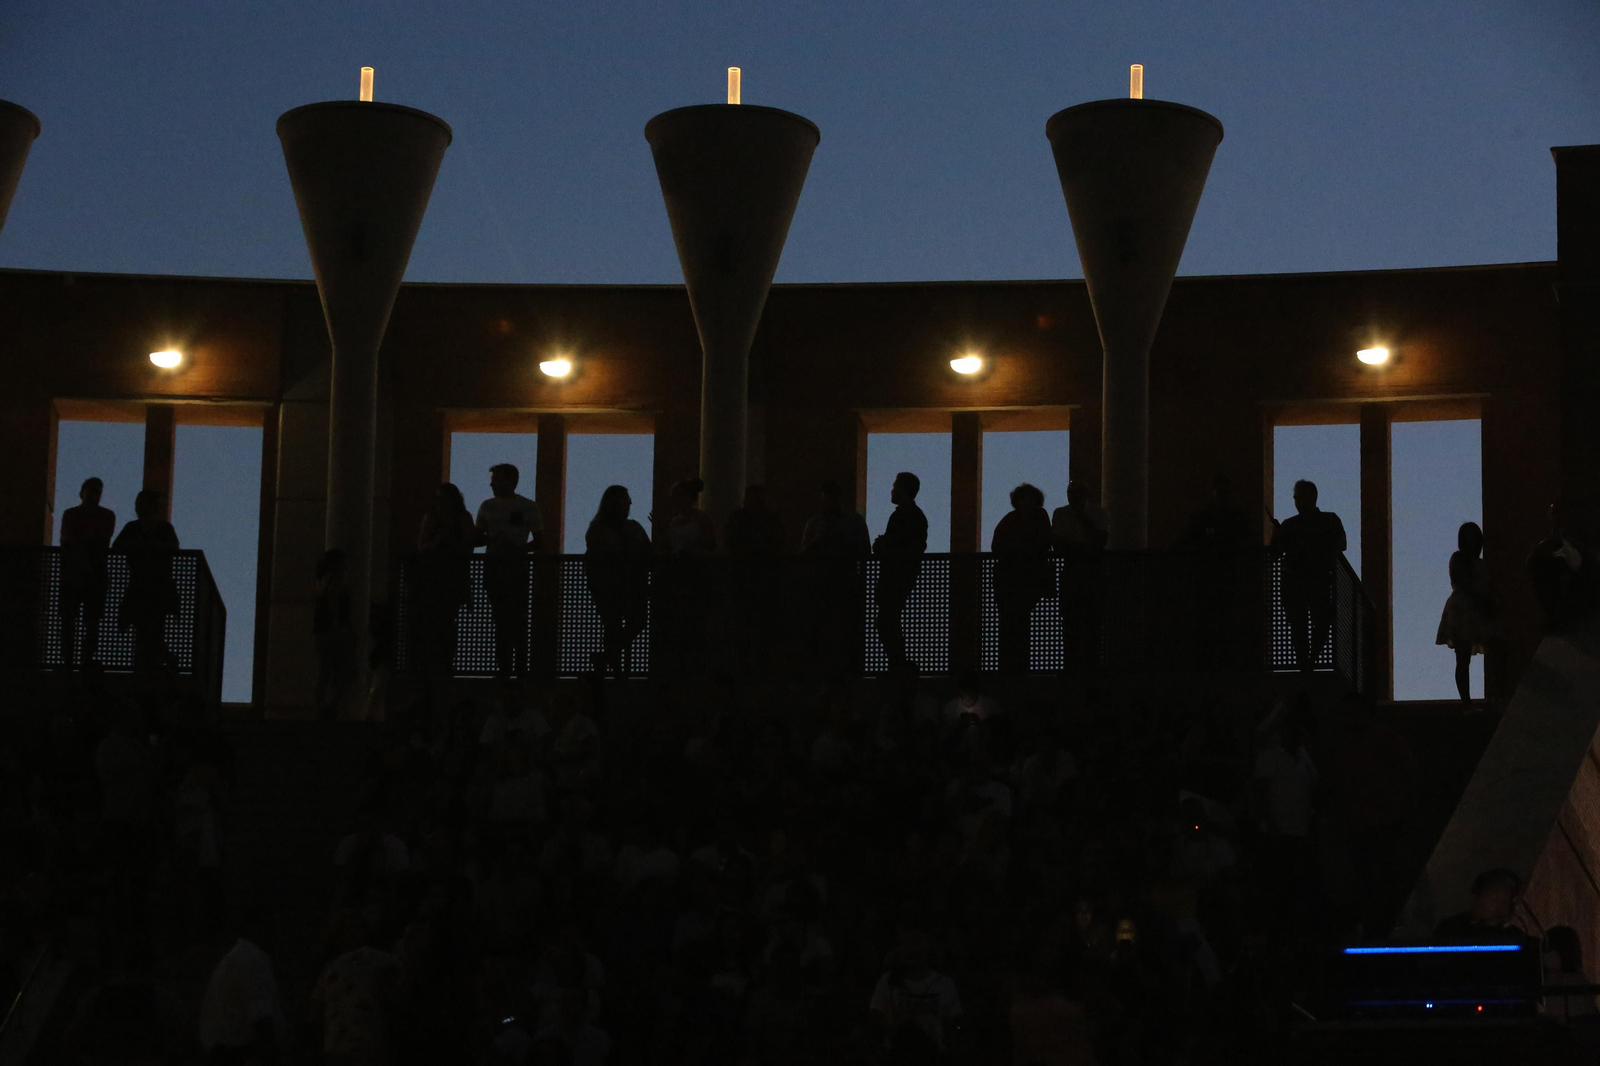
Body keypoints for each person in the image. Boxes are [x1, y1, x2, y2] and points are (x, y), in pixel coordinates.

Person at [1271, 479, 1348, 672]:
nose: (1297, 501)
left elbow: (1341, 544)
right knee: (1299, 625)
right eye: (1296, 498)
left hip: (1318, 581)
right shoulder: (1290, 525)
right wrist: (1277, 536)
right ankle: (1306, 662)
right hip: (1294, 584)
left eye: (1300, 497)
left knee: (1321, 621)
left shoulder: (1329, 520)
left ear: (1312, 497)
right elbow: (1274, 554)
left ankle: (1309, 660)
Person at [477, 463, 543, 680]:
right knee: (501, 619)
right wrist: (492, 540)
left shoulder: (528, 507)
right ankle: (506, 667)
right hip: (495, 569)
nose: (492, 484)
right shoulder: (486, 507)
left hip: (516, 570)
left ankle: (518, 667)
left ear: (511, 481)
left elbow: (540, 541)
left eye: (496, 479)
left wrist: (516, 550)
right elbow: (477, 539)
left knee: (517, 618)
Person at [198, 908, 285, 1065]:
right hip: (240, 1055)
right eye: (270, 926)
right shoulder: (254, 960)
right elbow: (261, 1019)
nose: (275, 933)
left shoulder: (231, 960)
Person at [801, 480, 871, 672]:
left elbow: (864, 552)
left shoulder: (852, 522)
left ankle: (845, 669)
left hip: (843, 583)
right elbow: (803, 554)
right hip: (823, 583)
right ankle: (827, 669)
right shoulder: (818, 523)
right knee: (825, 628)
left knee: (846, 628)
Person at [585, 485, 652, 676]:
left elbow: (648, 553)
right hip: (612, 586)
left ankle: (609, 660)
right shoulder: (601, 529)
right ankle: (614, 666)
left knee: (627, 623)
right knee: (615, 624)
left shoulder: (630, 527)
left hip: (628, 586)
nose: (630, 503)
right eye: (625, 499)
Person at [112, 488, 180, 673]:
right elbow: (117, 547)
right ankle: (155, 663)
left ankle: (153, 664)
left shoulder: (162, 528)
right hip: (142, 588)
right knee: (146, 630)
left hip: (157, 589)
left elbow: (174, 547)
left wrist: (151, 546)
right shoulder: (133, 528)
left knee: (151, 629)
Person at [415, 483, 477, 681]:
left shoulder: (462, 518)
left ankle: (444, 664)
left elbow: (468, 548)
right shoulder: (432, 518)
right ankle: (432, 665)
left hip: (451, 578)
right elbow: (422, 546)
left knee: (446, 623)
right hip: (433, 578)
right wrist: (437, 544)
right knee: (432, 623)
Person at [991, 483, 1053, 674]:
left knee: (1017, 622)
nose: (1026, 501)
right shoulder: (1012, 519)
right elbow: (997, 545)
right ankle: (1010, 665)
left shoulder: (1037, 517)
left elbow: (1043, 542)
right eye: (1023, 498)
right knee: (1011, 623)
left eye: (1029, 497)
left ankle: (1016, 665)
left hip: (1023, 579)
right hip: (1011, 579)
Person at [58, 476, 115, 668]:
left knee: (90, 622)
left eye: (97, 492)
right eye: (91, 491)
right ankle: (72, 660)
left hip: (87, 574)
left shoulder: (103, 516)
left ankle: (83, 659)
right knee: (72, 620)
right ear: (82, 493)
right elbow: (71, 540)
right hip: (78, 574)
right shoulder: (77, 515)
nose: (93, 496)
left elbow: (93, 541)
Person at [873, 472, 927, 672]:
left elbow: (902, 546)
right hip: (900, 577)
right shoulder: (914, 516)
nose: (892, 490)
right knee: (889, 621)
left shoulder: (904, 515)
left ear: (903, 489)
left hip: (895, 578)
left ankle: (896, 665)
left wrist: (882, 546)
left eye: (895, 486)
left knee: (888, 622)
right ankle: (897, 664)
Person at [1051, 480, 1107, 672]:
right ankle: (1071, 664)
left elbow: (1099, 542)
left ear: (1085, 494)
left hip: (1090, 571)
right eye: (1070, 492)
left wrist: (1081, 520)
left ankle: (1091, 664)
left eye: (1076, 492)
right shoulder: (1061, 513)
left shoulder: (1098, 512)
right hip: (1074, 570)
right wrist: (1085, 546)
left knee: (1093, 618)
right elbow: (1058, 545)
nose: (1072, 496)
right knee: (1070, 619)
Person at [1436, 521, 1494, 705]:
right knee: (1463, 657)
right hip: (1463, 611)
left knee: (1468, 656)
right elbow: (1464, 582)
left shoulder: (1478, 563)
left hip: (1473, 610)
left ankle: (1478, 700)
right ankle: (1466, 702)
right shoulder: (1459, 559)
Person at [1529, 499, 1595, 633]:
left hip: (1576, 617)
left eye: (1561, 514)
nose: (1558, 519)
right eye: (1555, 515)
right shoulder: (1543, 549)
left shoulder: (1578, 546)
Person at [1432, 868, 1530, 945]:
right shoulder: (1450, 927)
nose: (1501, 900)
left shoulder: (1515, 936)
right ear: (1477, 896)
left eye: (1506, 895)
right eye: (1494, 893)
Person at [314, 549, 355, 720]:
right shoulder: (337, 579)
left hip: (320, 630)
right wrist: (339, 624)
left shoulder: (321, 581)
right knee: (340, 670)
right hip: (332, 631)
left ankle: (321, 708)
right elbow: (334, 598)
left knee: (325, 671)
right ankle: (330, 708)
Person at [1178, 474, 1252, 550]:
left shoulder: (1238, 518)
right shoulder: (1202, 518)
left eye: (1227, 492)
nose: (1224, 497)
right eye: (1221, 493)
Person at [656, 476, 717, 556]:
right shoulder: (673, 521)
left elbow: (711, 547)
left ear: (687, 498)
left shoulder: (703, 519)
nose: (673, 501)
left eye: (676, 497)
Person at [725, 484, 784, 556]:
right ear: (745, 502)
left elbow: (779, 543)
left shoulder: (774, 519)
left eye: (759, 502)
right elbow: (731, 543)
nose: (756, 506)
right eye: (752, 502)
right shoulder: (736, 518)